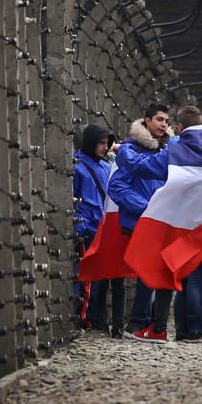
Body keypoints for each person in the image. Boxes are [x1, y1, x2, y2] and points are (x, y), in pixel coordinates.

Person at [124, 105, 202, 344]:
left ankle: (158, 329)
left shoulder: (176, 150)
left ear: (179, 128)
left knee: (168, 269)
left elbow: (142, 167)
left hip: (177, 223)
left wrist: (125, 149)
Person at [108, 104, 171, 336]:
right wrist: (146, 208)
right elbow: (117, 186)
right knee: (147, 271)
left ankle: (145, 322)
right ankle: (139, 322)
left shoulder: (164, 151)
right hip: (144, 220)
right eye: (159, 119)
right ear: (147, 121)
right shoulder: (133, 151)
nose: (164, 124)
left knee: (153, 271)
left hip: (160, 220)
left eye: (167, 120)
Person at [74, 123, 118, 333]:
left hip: (103, 228)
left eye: (107, 143)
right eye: (101, 143)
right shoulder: (78, 165)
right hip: (88, 228)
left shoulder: (106, 166)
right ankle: (87, 317)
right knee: (90, 278)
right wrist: (79, 225)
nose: (105, 147)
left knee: (102, 278)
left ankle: (99, 319)